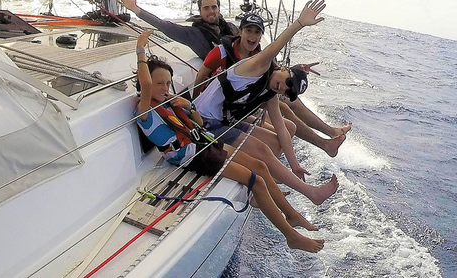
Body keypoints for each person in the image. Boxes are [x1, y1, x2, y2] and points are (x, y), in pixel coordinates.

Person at [133, 31, 324, 252]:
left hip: (203, 144)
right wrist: (140, 48)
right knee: (257, 181)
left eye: (167, 83)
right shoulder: (144, 111)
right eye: (159, 84)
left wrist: (186, 104)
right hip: (193, 156)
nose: (164, 88)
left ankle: (291, 214)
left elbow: (197, 120)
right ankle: (291, 236)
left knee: (261, 166)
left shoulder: (168, 104)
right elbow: (146, 85)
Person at [194, 0, 328, 181]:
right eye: (248, 30)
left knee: (284, 130)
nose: (253, 35)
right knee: (270, 143)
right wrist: (299, 24)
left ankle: (273, 176)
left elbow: (280, 125)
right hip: (208, 117)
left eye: (257, 32)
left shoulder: (267, 77)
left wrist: (295, 165)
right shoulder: (254, 64)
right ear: (240, 32)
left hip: (226, 116)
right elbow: (274, 47)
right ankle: (266, 176)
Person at [118, 0, 238, 59]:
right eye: (206, 8)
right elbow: (163, 25)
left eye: (214, 7)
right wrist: (135, 9)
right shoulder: (192, 34)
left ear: (219, 8)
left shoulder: (231, 27)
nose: (211, 11)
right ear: (200, 12)